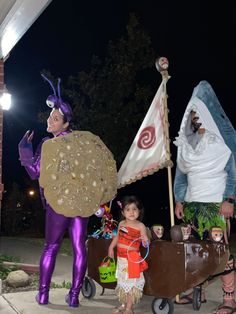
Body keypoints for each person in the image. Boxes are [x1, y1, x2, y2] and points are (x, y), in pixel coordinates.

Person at [18, 74, 118, 308]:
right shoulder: (81, 145)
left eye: (55, 118)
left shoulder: (50, 145)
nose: (50, 121)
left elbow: (35, 173)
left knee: (51, 247)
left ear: (65, 124)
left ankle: (43, 295)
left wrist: (23, 149)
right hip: (81, 205)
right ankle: (73, 297)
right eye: (50, 117)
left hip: (59, 205)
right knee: (78, 248)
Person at [173, 80, 236, 314]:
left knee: (221, 253)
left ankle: (229, 300)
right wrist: (179, 199)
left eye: (200, 114)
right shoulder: (185, 146)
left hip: (216, 206)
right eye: (193, 114)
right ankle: (196, 290)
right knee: (194, 252)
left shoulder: (221, 144)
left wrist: (229, 199)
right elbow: (180, 176)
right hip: (191, 206)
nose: (195, 118)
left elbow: (233, 172)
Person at [108, 195, 149, 314]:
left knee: (131, 284)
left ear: (139, 211)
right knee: (122, 283)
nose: (131, 212)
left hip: (132, 260)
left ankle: (129, 308)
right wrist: (111, 247)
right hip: (121, 259)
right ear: (123, 212)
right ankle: (123, 304)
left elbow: (145, 244)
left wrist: (145, 239)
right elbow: (117, 237)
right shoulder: (121, 224)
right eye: (128, 209)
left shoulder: (140, 226)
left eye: (134, 209)